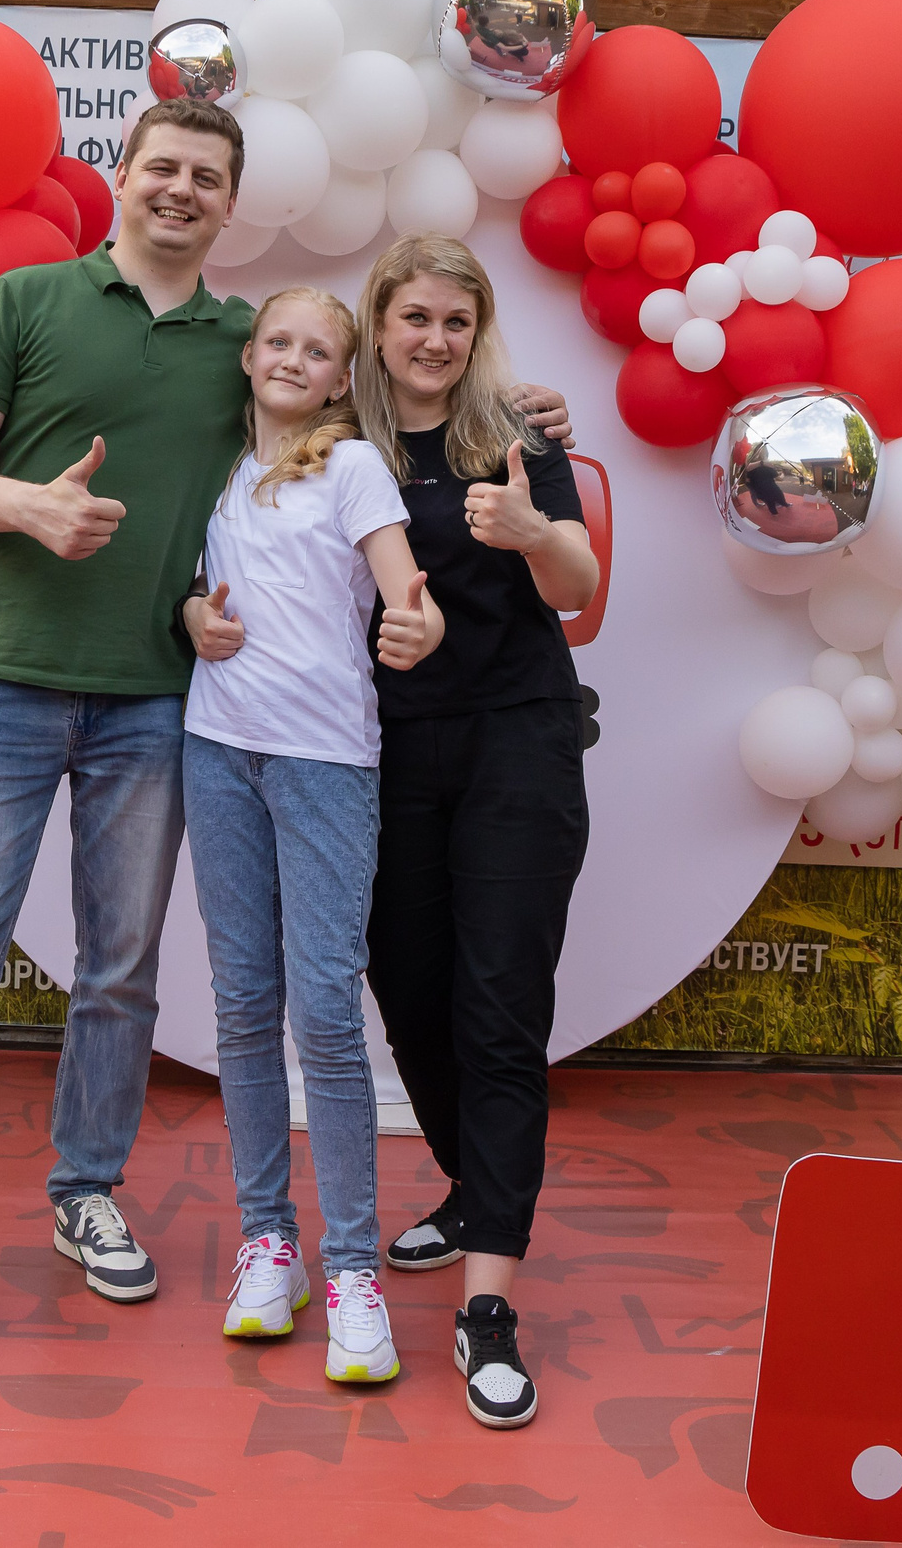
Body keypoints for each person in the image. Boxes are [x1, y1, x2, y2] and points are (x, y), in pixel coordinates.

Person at [0, 99, 571, 1370]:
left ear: (229, 202)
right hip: (3, 679)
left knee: (123, 970)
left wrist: (517, 407)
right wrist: (30, 509)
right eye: (164, 169)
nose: (182, 190)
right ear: (124, 177)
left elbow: (377, 413)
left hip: (160, 703)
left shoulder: (241, 345)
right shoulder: (28, 304)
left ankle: (87, 1193)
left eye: (208, 177)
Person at [346, 233, 599, 1432]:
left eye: (456, 321)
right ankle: (465, 1185)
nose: (435, 340)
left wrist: (531, 530)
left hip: (516, 739)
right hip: (382, 750)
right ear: (380, 322)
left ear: (477, 328)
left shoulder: (517, 431)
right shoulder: (333, 436)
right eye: (416, 319)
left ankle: (487, 1303)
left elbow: (577, 587)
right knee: (407, 990)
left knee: (501, 1008)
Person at [176, 286, 442, 1385]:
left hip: (325, 763)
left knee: (324, 1010)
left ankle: (350, 1272)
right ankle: (266, 1243)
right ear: (249, 359)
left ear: (342, 378)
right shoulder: (214, 467)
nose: (292, 359)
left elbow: (402, 594)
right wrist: (192, 611)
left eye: (316, 350)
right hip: (213, 750)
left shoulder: (352, 467)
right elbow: (198, 584)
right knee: (243, 1007)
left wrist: (415, 625)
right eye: (276, 341)